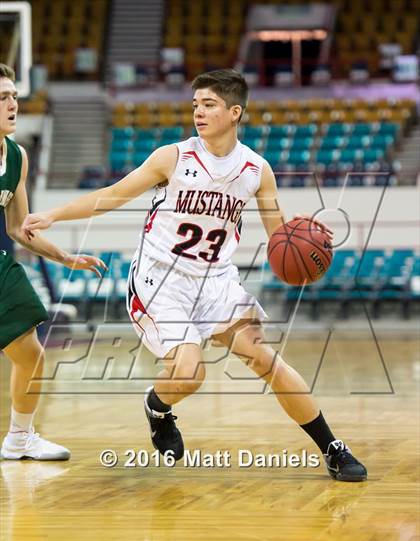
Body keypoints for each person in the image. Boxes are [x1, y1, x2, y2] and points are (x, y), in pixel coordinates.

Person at [23, 69, 367, 481]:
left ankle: (331, 446)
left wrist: (303, 232)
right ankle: (157, 406)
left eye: (209, 105)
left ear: (234, 112)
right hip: (160, 279)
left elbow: (279, 238)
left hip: (216, 278)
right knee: (190, 373)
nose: (198, 113)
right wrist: (52, 215)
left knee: (266, 359)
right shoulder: (174, 157)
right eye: (195, 105)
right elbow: (111, 196)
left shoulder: (257, 170)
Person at [0, 63, 105, 460]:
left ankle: (20, 438)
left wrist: (65, 257)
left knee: (31, 353)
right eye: (2, 98)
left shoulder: (16, 156)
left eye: (13, 95)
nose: (13, 103)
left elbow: (18, 227)